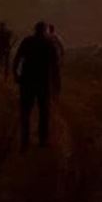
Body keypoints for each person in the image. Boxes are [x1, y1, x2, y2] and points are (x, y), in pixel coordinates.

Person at [13, 21, 59, 150]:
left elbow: (17, 58)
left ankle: (24, 140)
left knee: (25, 111)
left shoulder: (27, 41)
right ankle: (42, 140)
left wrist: (15, 74)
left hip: (27, 80)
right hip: (43, 82)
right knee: (44, 112)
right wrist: (56, 84)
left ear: (35, 29)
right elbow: (55, 66)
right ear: (45, 30)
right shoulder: (50, 43)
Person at [48, 24, 65, 98]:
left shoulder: (47, 37)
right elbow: (62, 48)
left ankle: (52, 91)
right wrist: (61, 58)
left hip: (49, 60)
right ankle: (56, 92)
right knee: (56, 76)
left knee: (50, 76)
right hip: (55, 59)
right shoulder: (56, 37)